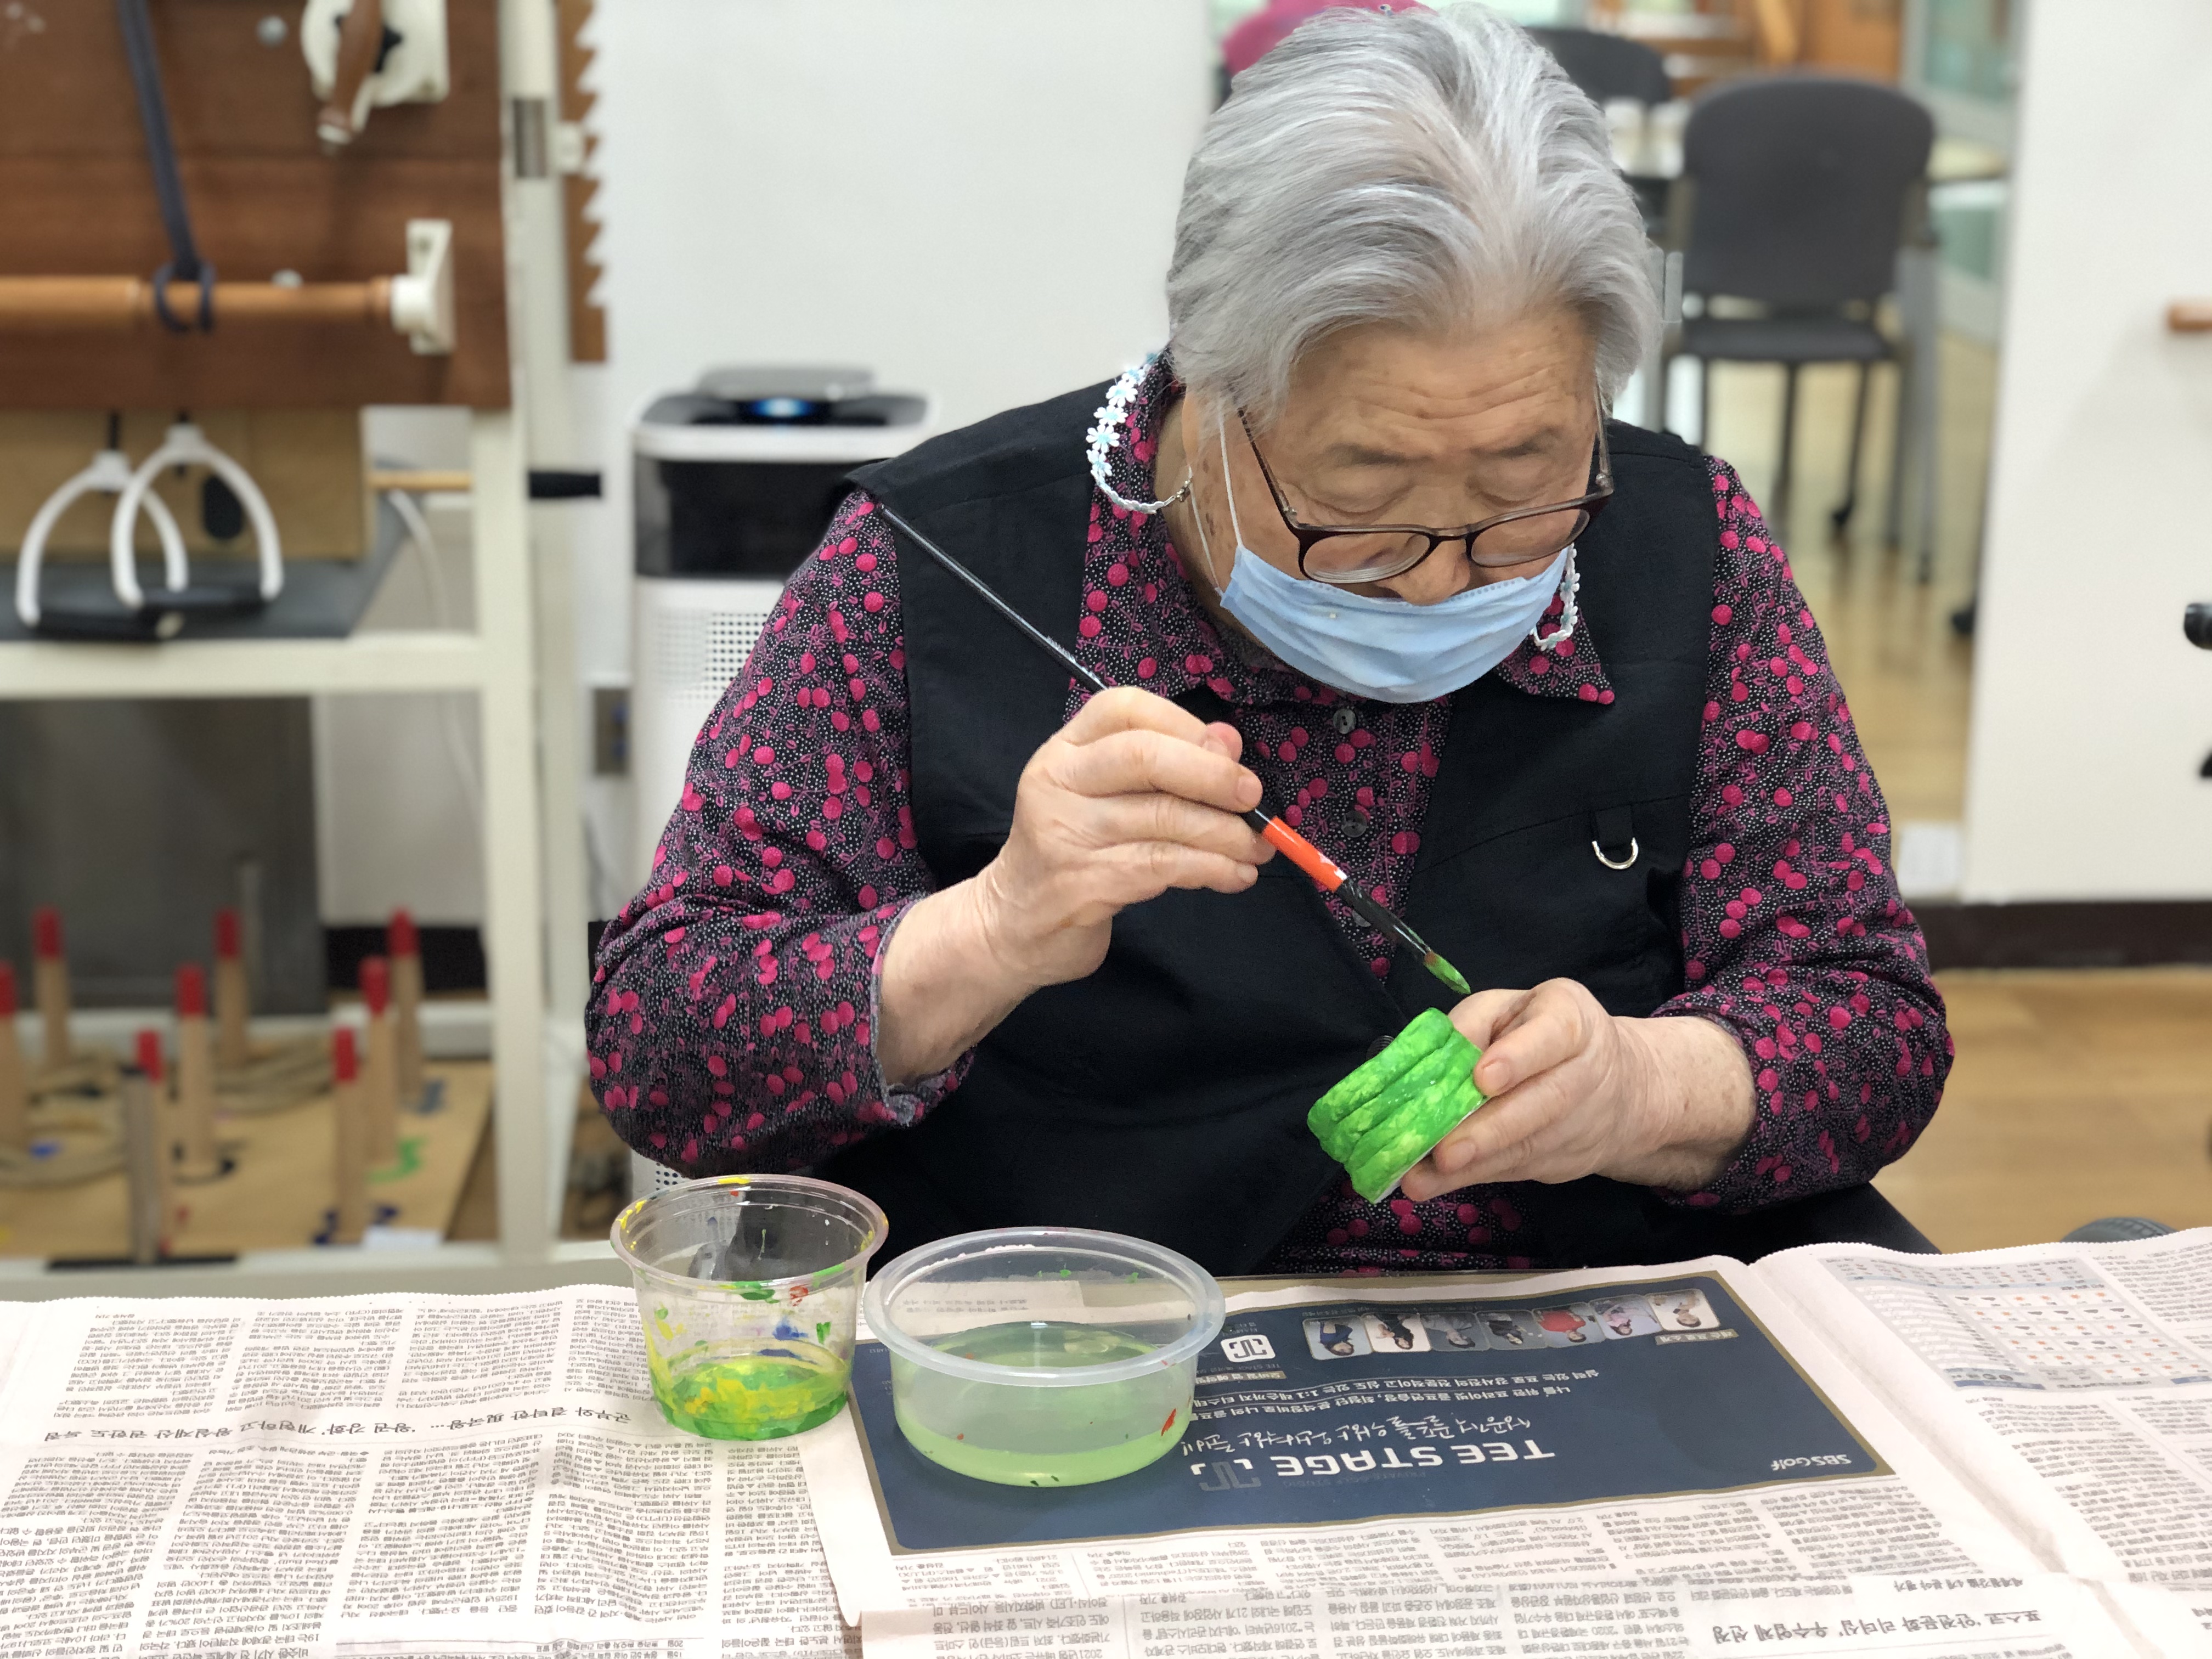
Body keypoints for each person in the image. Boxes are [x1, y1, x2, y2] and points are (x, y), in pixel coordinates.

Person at [588, 5, 1950, 1277]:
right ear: (1206, 383)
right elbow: (663, 1048)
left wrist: (1648, 1090)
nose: (1442, 576)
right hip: (1075, 1345)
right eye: (1361, 498)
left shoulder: (1686, 548)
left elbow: (1871, 1018)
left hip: (1580, 1323)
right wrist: (989, 930)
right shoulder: (934, 567)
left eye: (1524, 486)